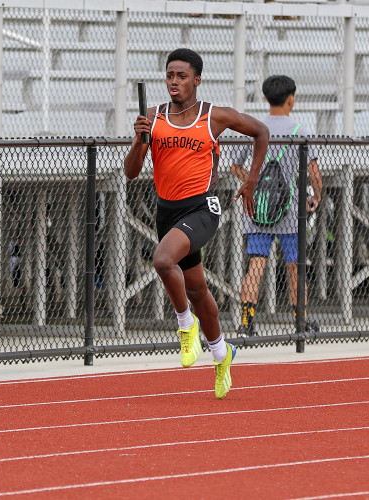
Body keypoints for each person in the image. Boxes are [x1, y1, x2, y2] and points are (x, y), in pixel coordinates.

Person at [123, 48, 269, 399]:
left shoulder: (213, 116)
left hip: (202, 208)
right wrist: (139, 141)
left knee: (162, 260)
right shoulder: (153, 116)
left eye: (181, 76)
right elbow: (131, 172)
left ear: (197, 80)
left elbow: (261, 132)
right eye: (169, 75)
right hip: (167, 212)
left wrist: (251, 180)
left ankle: (185, 325)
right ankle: (221, 353)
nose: (174, 81)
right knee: (198, 290)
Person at [231, 75, 322, 337]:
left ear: (265, 98)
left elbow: (235, 166)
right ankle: (300, 320)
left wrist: (253, 184)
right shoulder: (299, 131)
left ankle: (246, 322)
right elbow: (314, 173)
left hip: (258, 209)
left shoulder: (255, 128)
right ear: (291, 99)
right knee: (295, 267)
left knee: (256, 265)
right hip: (290, 211)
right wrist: (316, 196)